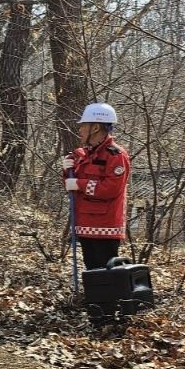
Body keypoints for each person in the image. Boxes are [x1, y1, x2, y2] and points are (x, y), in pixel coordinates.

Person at [62, 102, 130, 270]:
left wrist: (79, 183)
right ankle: (95, 297)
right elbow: (71, 186)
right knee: (91, 271)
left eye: (84, 126)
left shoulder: (116, 156)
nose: (80, 130)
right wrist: (66, 172)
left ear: (95, 128)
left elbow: (111, 188)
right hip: (85, 224)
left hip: (105, 226)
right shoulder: (83, 155)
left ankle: (108, 297)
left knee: (105, 272)